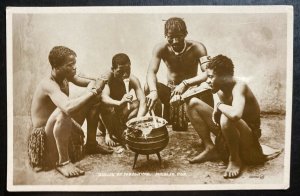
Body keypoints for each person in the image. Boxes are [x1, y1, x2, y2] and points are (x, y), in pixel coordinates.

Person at [28, 46, 113, 178]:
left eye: (74, 64)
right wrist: (94, 91)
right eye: (70, 65)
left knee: (94, 100)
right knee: (65, 110)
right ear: (56, 66)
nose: (74, 68)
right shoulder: (48, 84)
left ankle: (91, 144)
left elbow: (93, 83)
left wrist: (98, 84)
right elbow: (67, 108)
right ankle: (63, 162)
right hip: (45, 136)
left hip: (58, 126)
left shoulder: (66, 76)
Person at [186, 54, 272, 178]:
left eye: (211, 77)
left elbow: (235, 114)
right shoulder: (219, 86)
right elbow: (205, 86)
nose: (208, 80)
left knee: (227, 116)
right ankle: (210, 148)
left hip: (249, 136)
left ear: (224, 77)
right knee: (192, 103)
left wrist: (219, 106)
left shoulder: (239, 87)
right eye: (208, 77)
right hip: (229, 131)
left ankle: (235, 159)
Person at [145, 17, 213, 128]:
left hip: (192, 90)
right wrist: (153, 91)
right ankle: (156, 126)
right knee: (149, 86)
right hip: (171, 92)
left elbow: (209, 73)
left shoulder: (198, 48)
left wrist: (186, 83)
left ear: (186, 34)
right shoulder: (160, 48)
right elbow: (151, 72)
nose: (175, 41)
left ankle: (209, 128)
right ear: (165, 35)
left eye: (179, 37)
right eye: (171, 37)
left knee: (207, 87)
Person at [100, 53, 147, 147]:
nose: (125, 75)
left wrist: (138, 121)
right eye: (120, 71)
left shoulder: (133, 80)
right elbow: (104, 98)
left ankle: (126, 128)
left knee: (138, 103)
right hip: (107, 118)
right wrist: (119, 102)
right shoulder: (106, 77)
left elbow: (143, 101)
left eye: (127, 70)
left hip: (121, 115)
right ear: (112, 69)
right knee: (106, 106)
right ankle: (109, 133)